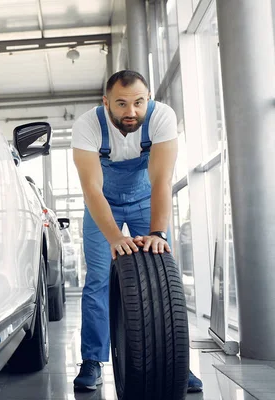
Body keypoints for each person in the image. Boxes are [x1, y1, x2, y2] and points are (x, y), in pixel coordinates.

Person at [70, 70, 203, 393]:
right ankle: (92, 360)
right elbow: (91, 189)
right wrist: (115, 238)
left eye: (138, 102)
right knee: (99, 279)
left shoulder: (162, 118)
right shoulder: (87, 126)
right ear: (106, 103)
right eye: (122, 104)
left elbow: (162, 180)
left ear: (149, 100)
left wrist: (157, 232)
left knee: (163, 274)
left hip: (146, 199)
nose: (131, 112)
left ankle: (175, 363)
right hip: (103, 204)